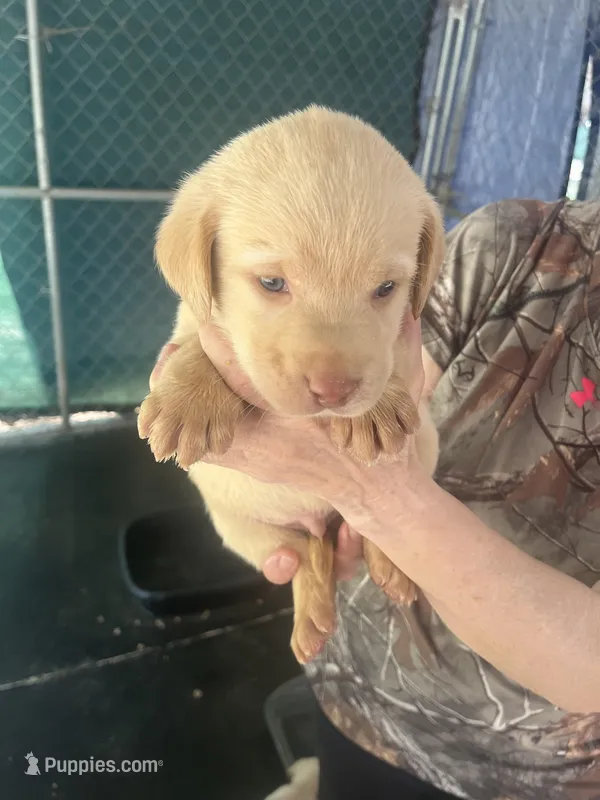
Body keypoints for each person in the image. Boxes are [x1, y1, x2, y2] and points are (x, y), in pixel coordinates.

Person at [150, 198, 600, 800]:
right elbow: (396, 393)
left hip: (520, 770)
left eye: (383, 287)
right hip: (356, 686)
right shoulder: (515, 241)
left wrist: (371, 494)